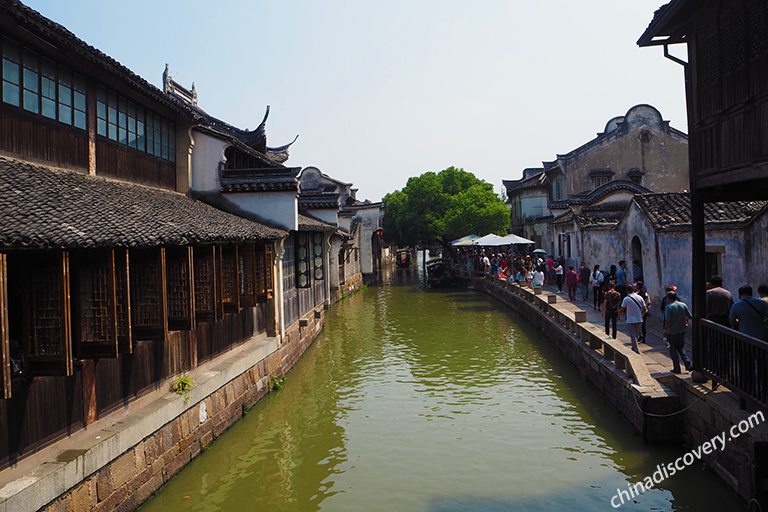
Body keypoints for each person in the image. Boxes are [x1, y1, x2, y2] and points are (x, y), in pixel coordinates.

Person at [663, 290, 693, 374]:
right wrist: (685, 319)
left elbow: (668, 320)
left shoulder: (669, 307)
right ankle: (686, 360)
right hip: (682, 330)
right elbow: (689, 316)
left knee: (672, 349)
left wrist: (665, 330)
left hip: (672, 331)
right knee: (681, 347)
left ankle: (677, 368)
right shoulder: (683, 305)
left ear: (669, 298)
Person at [619, 283, 647, 353]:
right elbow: (644, 308)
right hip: (639, 319)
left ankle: (636, 349)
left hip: (630, 319)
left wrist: (618, 316)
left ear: (627, 290)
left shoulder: (626, 299)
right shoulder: (639, 297)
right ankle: (634, 347)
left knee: (633, 335)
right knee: (636, 335)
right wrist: (642, 315)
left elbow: (622, 309)